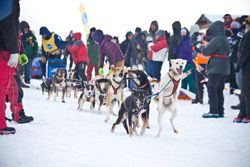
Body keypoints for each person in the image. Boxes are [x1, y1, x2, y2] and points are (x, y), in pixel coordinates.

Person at [196, 21, 230, 118]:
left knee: (212, 89)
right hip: (224, 67)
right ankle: (220, 111)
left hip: (216, 68)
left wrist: (199, 46)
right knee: (219, 90)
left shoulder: (217, 39)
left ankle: (213, 111)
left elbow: (206, 52)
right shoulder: (225, 39)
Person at [234, 16, 250, 123]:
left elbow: (245, 52)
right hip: (246, 66)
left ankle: (247, 114)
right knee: (245, 90)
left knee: (247, 91)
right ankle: (243, 113)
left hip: (247, 66)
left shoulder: (248, 36)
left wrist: (238, 65)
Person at [174, 27, 196, 94]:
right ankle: (183, 92)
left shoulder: (189, 40)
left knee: (189, 78)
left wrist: (182, 44)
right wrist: (176, 45)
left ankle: (192, 92)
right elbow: (175, 52)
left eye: (184, 32)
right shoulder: (179, 40)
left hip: (188, 62)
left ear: (187, 33)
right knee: (183, 78)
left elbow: (189, 49)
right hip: (181, 63)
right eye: (182, 32)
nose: (183, 33)